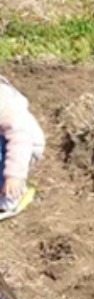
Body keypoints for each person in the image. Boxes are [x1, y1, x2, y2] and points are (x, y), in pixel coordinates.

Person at [0, 76, 45, 220]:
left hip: (24, 146)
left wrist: (14, 176)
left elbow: (20, 140)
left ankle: (11, 196)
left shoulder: (5, 103)